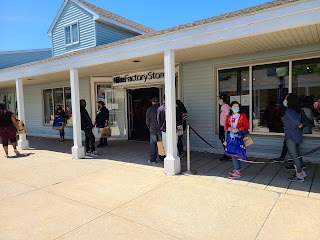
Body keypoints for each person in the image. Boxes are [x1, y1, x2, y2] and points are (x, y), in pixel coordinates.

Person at [282, 93, 306, 182]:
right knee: (298, 155)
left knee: (295, 156)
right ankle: (301, 172)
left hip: (291, 136)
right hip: (297, 135)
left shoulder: (289, 111)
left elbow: (298, 123)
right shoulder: (297, 111)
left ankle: (299, 175)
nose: (284, 100)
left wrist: (297, 125)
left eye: (286, 98)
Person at [225, 101, 249, 179]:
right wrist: (228, 128)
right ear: (231, 108)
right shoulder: (229, 116)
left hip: (239, 137)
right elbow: (226, 126)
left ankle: (237, 170)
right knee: (233, 153)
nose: (236, 108)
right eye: (234, 106)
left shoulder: (242, 116)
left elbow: (246, 126)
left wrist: (238, 129)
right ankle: (237, 169)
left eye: (237, 106)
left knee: (236, 154)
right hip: (231, 138)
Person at [146, 97, 161, 164]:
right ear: (158, 101)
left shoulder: (149, 109)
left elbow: (147, 121)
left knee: (153, 145)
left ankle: (153, 160)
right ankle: (162, 158)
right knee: (160, 144)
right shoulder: (161, 109)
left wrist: (150, 127)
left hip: (153, 129)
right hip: (160, 129)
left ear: (152, 102)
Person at [218, 94, 231, 161]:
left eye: (219, 99)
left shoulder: (226, 106)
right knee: (222, 139)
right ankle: (226, 153)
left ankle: (227, 155)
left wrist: (226, 126)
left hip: (224, 126)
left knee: (225, 140)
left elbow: (227, 116)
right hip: (221, 125)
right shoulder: (222, 106)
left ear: (222, 99)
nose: (218, 100)